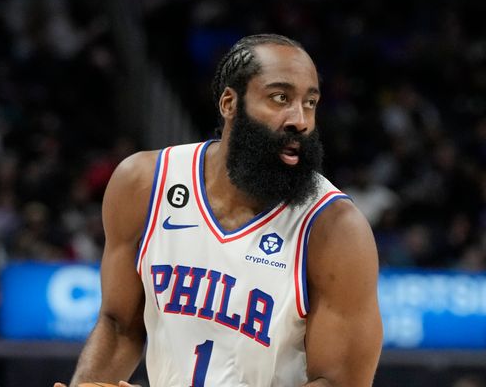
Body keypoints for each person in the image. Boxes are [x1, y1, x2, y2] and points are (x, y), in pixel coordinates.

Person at [56, 34, 383, 387]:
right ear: (230, 102)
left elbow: (340, 382)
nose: (299, 120)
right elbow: (120, 325)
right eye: (280, 98)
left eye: (310, 103)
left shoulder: (334, 228)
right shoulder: (144, 185)